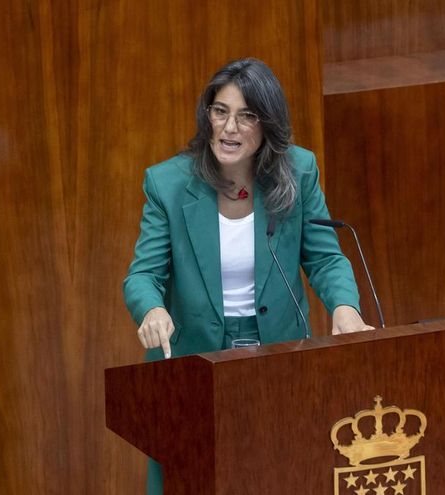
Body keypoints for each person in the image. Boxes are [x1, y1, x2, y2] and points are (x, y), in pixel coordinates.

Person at [123, 58, 374, 494]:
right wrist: (153, 309)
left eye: (246, 116)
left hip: (279, 354)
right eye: (220, 112)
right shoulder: (167, 184)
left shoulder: (298, 171)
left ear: (268, 124)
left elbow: (324, 258)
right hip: (195, 360)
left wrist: (345, 309)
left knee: (278, 474)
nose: (229, 128)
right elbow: (143, 274)